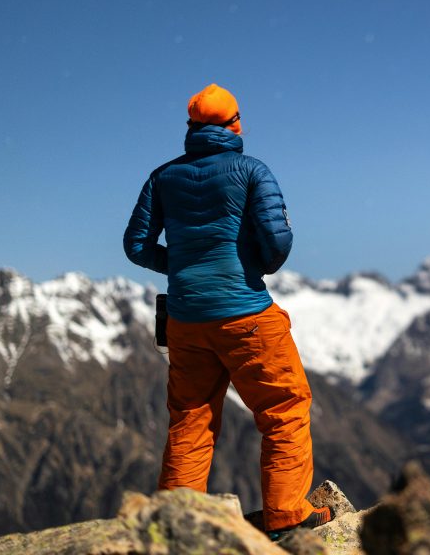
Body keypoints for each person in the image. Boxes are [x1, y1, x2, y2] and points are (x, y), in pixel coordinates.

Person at [123, 83, 330, 538]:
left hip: (185, 321)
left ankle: (175, 526)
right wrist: (251, 267)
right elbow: (277, 243)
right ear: (236, 125)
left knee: (190, 419)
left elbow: (136, 246)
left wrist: (179, 266)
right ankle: (287, 515)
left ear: (190, 128)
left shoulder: (163, 176)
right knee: (284, 408)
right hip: (247, 316)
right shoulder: (253, 171)